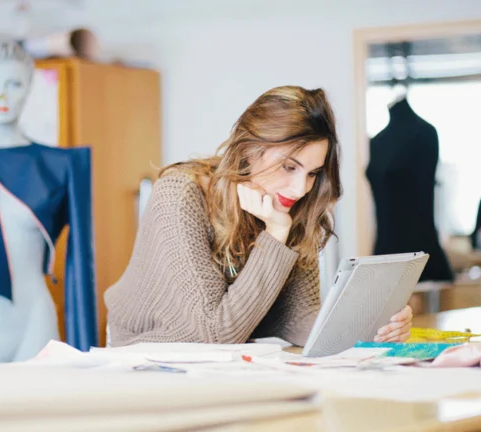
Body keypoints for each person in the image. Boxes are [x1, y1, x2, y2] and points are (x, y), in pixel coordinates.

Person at [104, 85, 413, 347]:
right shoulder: (181, 194)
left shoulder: (293, 208)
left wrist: (373, 324)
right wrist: (276, 232)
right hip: (145, 352)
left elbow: (297, 318)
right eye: (290, 167)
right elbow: (215, 333)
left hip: (226, 360)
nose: (301, 188)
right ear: (251, 149)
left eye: (313, 173)